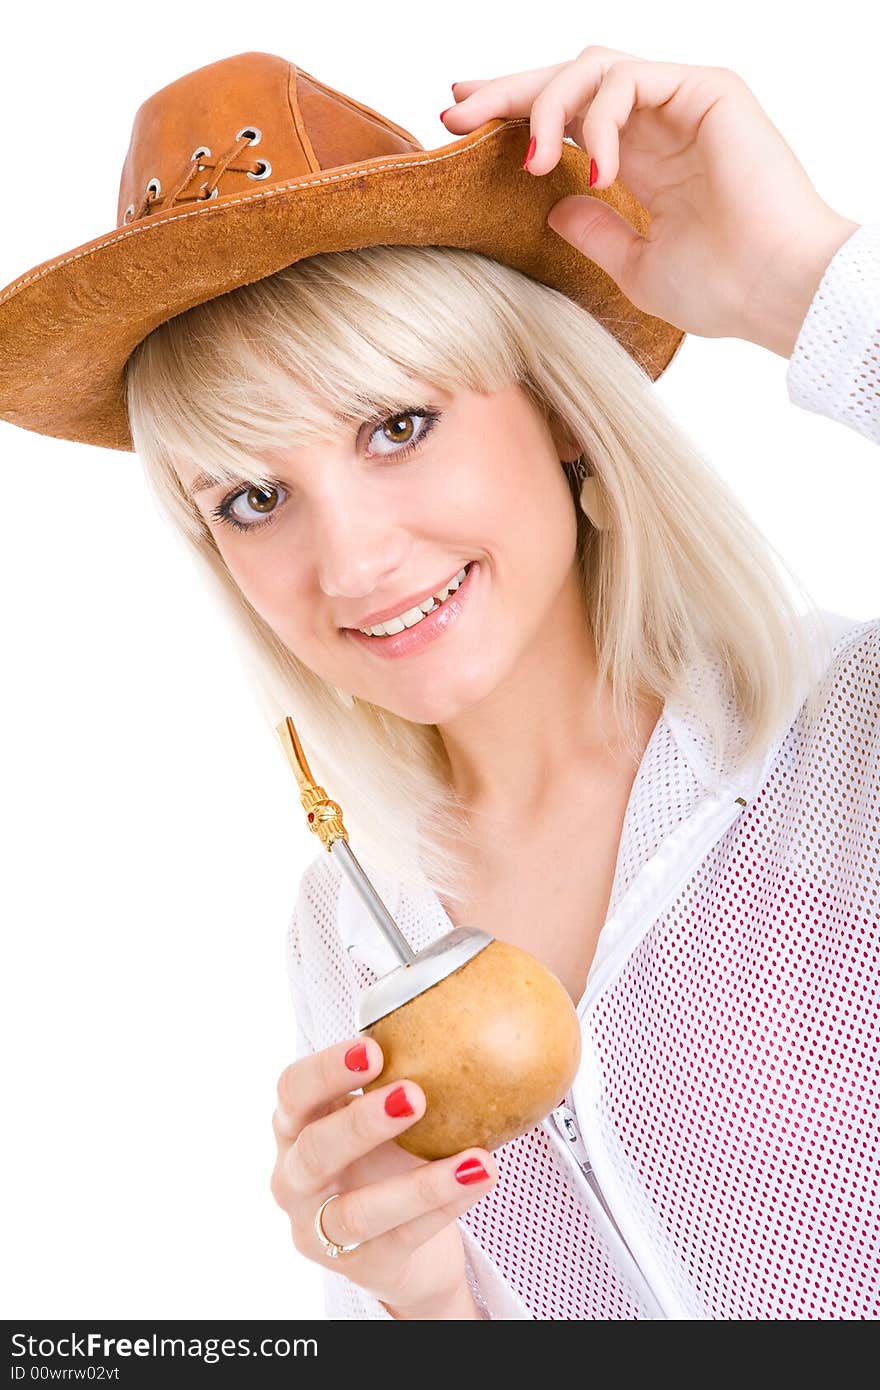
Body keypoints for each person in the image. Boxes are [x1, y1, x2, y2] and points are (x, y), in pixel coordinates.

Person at [0, 45, 877, 1321]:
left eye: (395, 425)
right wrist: (429, 1312)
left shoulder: (846, 741)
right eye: (253, 499)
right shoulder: (353, 935)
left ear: (560, 410)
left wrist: (811, 286)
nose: (349, 563)